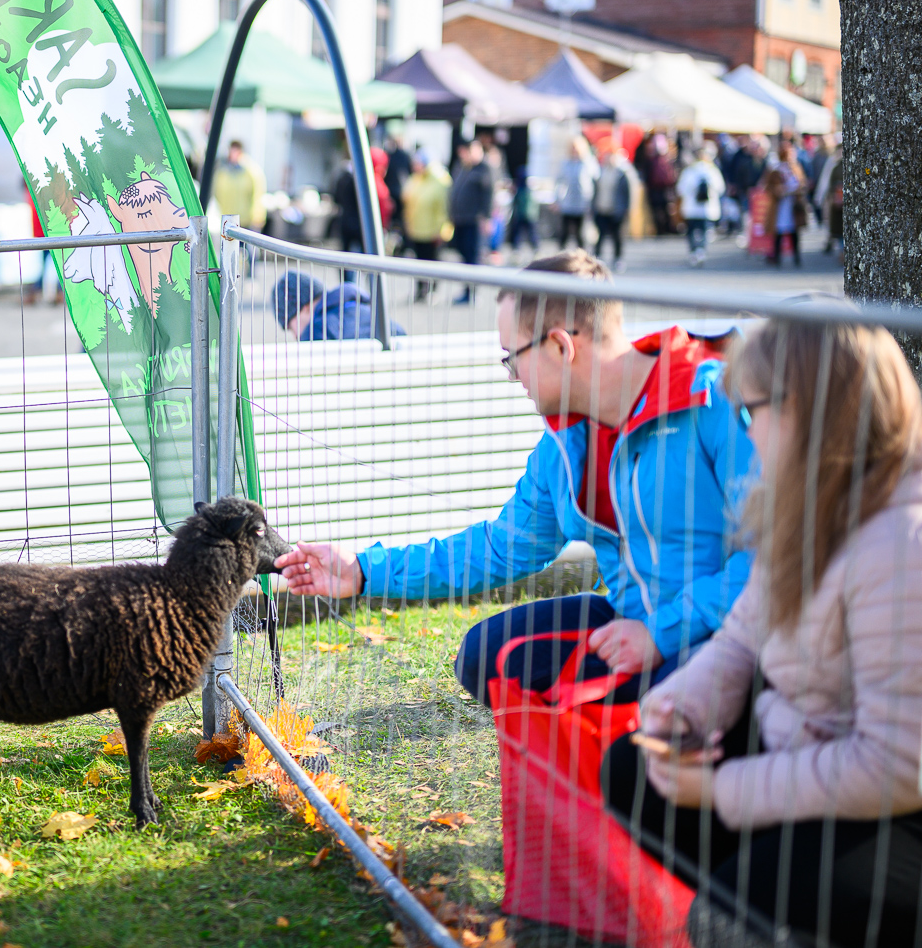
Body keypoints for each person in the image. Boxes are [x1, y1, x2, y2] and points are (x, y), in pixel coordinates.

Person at [276, 251, 757, 707]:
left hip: (730, 636)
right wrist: (362, 570)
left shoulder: (713, 400)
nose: (512, 376)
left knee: (655, 735)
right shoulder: (563, 445)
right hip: (634, 625)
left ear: (560, 346)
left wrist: (660, 634)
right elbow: (502, 549)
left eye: (513, 356)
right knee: (488, 656)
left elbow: (774, 561)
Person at [603, 314, 922, 948]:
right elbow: (742, 639)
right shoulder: (805, 502)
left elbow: (897, 765)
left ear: (812, 409)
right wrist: (680, 704)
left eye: (750, 415)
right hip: (809, 750)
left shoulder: (900, 541)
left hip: (896, 809)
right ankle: (768, 894)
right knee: (634, 773)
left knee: (724, 918)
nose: (745, 436)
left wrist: (725, 789)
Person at [270, 270, 401, 342]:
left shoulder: (316, 332)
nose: (295, 336)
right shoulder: (370, 311)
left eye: (290, 327)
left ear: (304, 308)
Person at [446, 140, 493, 305]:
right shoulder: (463, 168)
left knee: (472, 257)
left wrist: (486, 218)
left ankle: (471, 292)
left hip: (473, 221)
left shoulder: (484, 169)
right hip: (460, 219)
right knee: (463, 255)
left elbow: (488, 195)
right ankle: (467, 290)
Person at [401, 151, 451, 303]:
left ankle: (433, 290)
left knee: (432, 261)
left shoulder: (440, 180)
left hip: (432, 230)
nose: (415, 167)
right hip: (416, 228)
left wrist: (443, 230)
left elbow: (444, 208)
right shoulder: (416, 178)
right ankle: (420, 290)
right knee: (418, 261)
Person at [676, 143, 725, 267]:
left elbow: (680, 189)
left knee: (691, 231)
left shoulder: (689, 170)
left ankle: (693, 251)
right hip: (707, 209)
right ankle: (701, 250)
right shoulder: (713, 170)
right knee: (704, 231)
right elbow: (720, 189)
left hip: (691, 208)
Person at [762, 141, 806, 267]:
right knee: (779, 231)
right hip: (780, 205)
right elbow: (768, 187)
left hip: (793, 203)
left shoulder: (796, 168)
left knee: (794, 232)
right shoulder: (775, 170)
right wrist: (778, 190)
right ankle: (776, 257)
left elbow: (802, 183)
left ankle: (796, 257)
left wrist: (797, 190)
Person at [211, 140, 267, 234]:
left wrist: (257, 217)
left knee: (245, 247)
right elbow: (216, 192)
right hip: (227, 220)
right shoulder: (222, 171)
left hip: (246, 221)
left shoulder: (251, 171)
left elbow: (258, 195)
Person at [592, 145, 634, 271]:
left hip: (616, 210)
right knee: (601, 236)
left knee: (617, 237)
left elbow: (627, 194)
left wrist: (626, 210)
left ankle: (618, 259)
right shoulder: (600, 172)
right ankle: (597, 258)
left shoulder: (621, 174)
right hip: (602, 208)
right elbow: (595, 191)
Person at [554, 137, 599, 251]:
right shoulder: (566, 163)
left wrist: (593, 202)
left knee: (580, 233)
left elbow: (596, 181)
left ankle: (581, 255)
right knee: (564, 231)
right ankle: (561, 255)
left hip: (583, 203)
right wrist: (557, 199)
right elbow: (559, 181)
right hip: (568, 202)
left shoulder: (588, 163)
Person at [504, 165, 539, 263]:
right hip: (527, 215)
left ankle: (531, 250)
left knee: (528, 234)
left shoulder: (522, 189)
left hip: (524, 215)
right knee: (523, 234)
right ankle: (521, 251)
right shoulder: (528, 189)